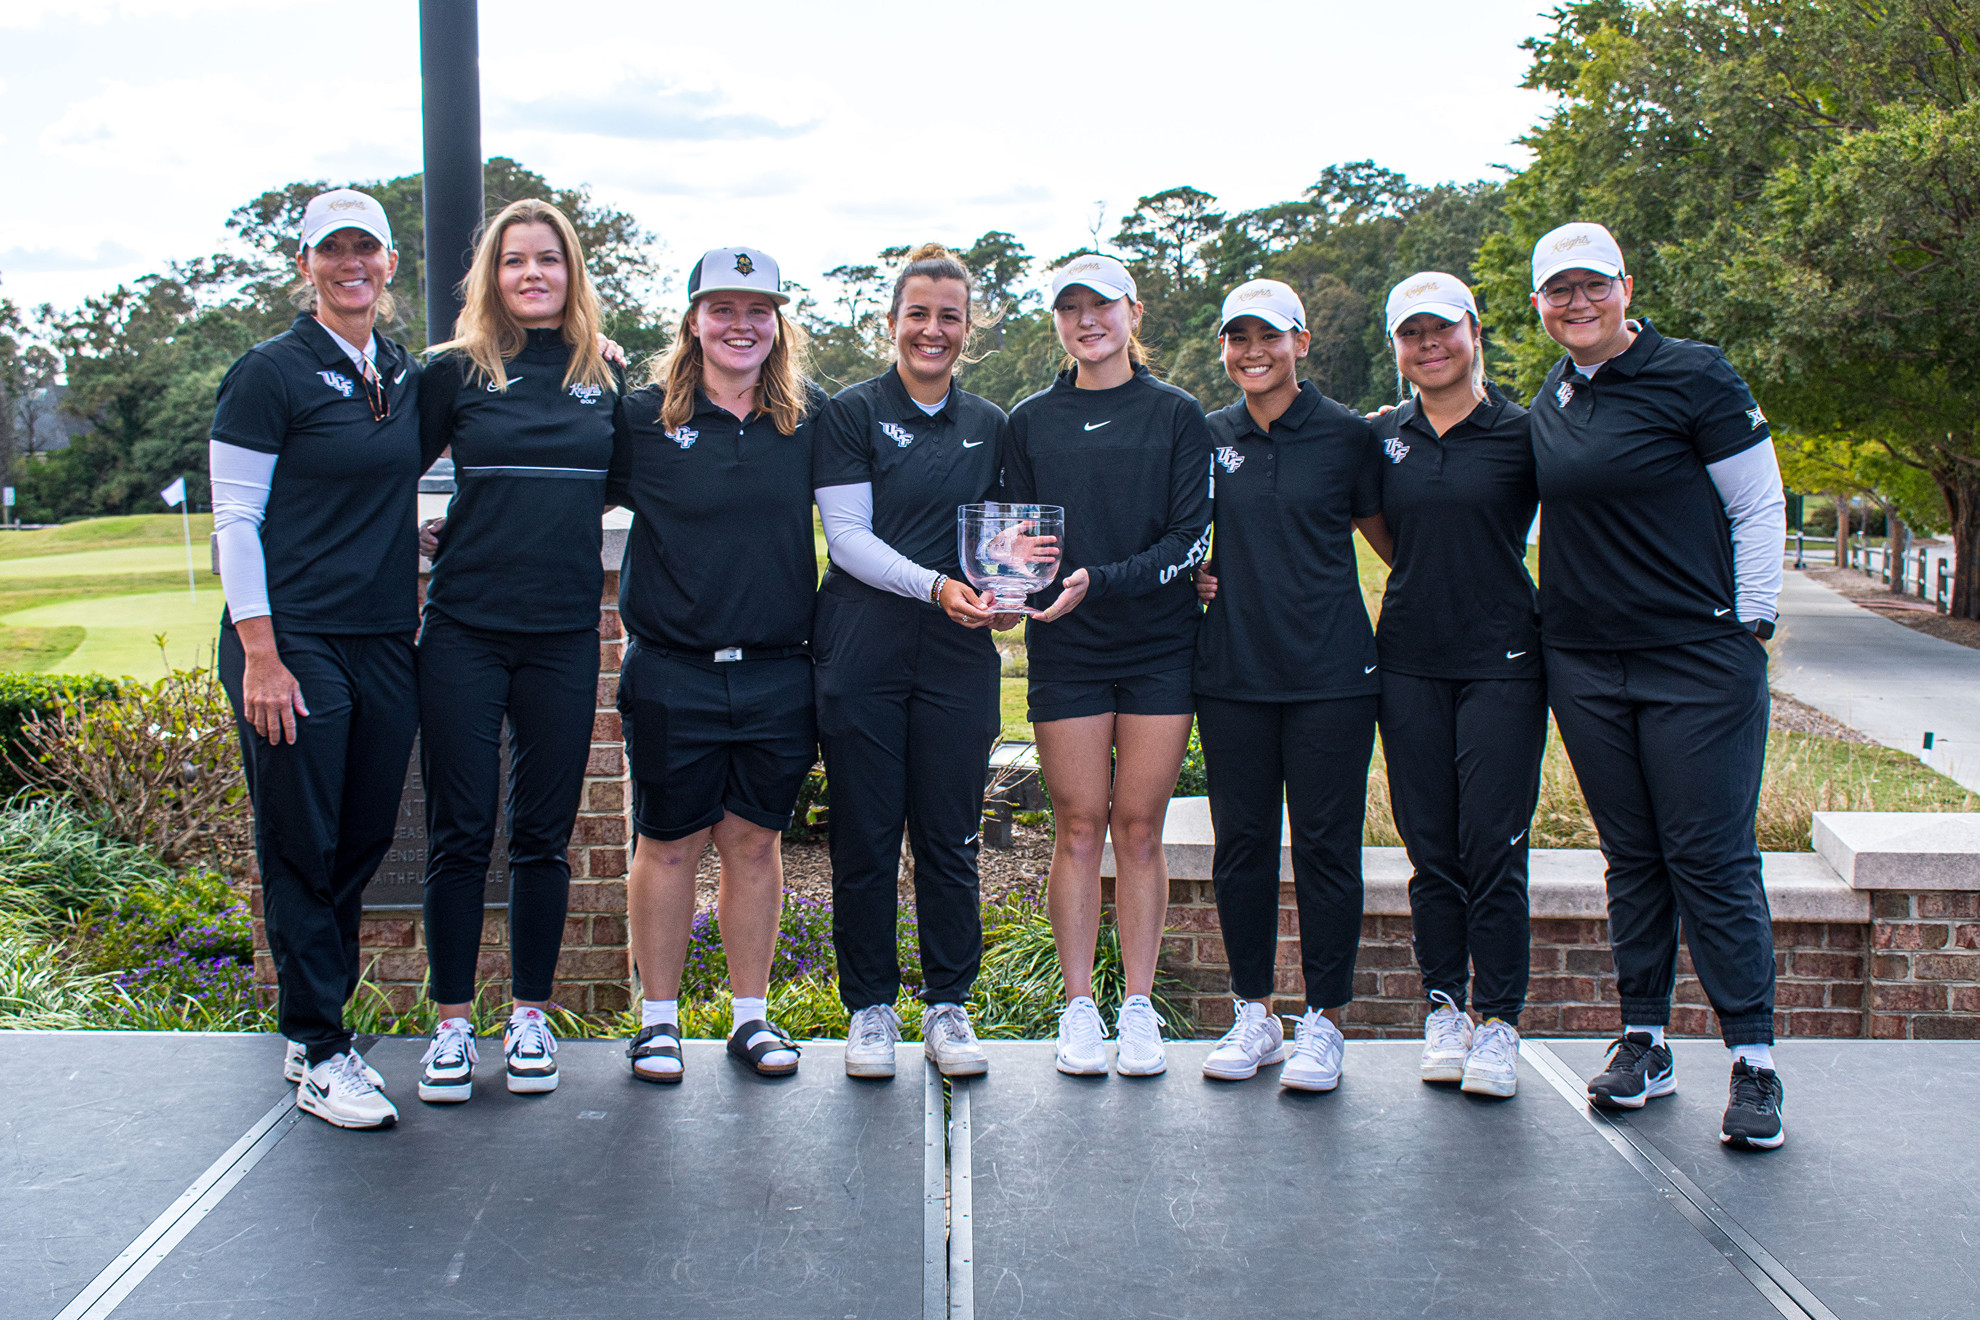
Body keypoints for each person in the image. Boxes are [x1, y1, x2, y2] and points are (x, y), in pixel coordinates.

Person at [1525, 223, 1788, 1149]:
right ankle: (1645, 1040)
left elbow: (1758, 502)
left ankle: (1753, 1061)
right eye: (1559, 290)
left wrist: (1750, 626)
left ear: (1626, 288)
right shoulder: (1552, 397)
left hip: (1695, 661)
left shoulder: (1696, 375)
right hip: (1588, 667)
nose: (1578, 303)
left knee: (1710, 858)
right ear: (1539, 306)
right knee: (1632, 857)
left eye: (1593, 285)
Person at [210, 188, 420, 1130]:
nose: (350, 264)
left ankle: (314, 1028)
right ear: (305, 265)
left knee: (362, 837)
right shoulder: (269, 373)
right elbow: (235, 520)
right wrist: (260, 652)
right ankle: (321, 1046)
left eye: (365, 248)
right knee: (303, 837)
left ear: (388, 263)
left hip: (380, 638)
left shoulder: (402, 372)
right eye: (331, 250)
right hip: (290, 642)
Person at [411, 198, 627, 1103]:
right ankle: (453, 1026)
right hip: (463, 630)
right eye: (514, 261)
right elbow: (383, 476)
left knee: (542, 838)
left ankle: (528, 1016)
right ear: (490, 278)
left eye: (549, 259)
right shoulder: (453, 373)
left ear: (572, 273)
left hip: (563, 635)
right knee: (460, 835)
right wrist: (424, 531)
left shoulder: (603, 379)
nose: (532, 273)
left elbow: (630, 484)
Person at [611, 246, 826, 1083]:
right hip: (673, 668)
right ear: (693, 319)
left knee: (755, 843)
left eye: (758, 310)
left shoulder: (809, 421)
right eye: (723, 308)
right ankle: (657, 1023)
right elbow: (552, 487)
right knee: (667, 843)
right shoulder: (640, 420)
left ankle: (750, 1018)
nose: (741, 325)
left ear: (778, 325)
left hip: (778, 669)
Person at [1002, 254, 1212, 1078]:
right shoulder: (1030, 420)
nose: (1087, 319)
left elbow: (1188, 540)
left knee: (1139, 829)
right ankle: (1079, 1007)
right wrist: (1017, 572)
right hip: (1068, 644)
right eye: (1070, 307)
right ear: (1057, 321)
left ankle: (1137, 1009)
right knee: (1080, 826)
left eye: (1102, 305)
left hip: (1159, 643)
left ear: (1133, 312)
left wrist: (1103, 580)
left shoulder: (1176, 413)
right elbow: (1015, 532)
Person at [811, 245, 1012, 1080]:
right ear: (889, 322)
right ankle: (868, 1009)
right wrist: (935, 585)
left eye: (950, 316)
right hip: (863, 644)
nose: (933, 330)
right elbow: (848, 540)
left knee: (950, 836)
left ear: (970, 328)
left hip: (959, 653)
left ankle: (948, 1006)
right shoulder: (852, 414)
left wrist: (1010, 581)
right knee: (864, 833)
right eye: (918, 314)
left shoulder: (993, 425)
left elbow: (1006, 534)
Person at [1189, 280, 1390, 1093]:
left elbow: (1392, 542)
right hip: (1233, 673)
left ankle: (1325, 1022)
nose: (1252, 352)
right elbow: (1179, 538)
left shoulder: (1347, 437)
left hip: (1333, 677)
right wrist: (1194, 576)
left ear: (1300, 342)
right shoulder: (1208, 436)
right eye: (1238, 339)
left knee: (1326, 850)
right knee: (1240, 850)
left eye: (1268, 336)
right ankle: (1255, 1013)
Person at [1368, 272, 1544, 1099]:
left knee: (1493, 846)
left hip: (1504, 662)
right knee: (1431, 848)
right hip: (1407, 660)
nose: (1428, 345)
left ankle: (1499, 1020)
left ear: (1474, 331)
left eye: (1442, 329)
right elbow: (1378, 528)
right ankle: (1445, 1008)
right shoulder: (1383, 436)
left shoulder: (1524, 431)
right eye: (1412, 334)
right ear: (1397, 347)